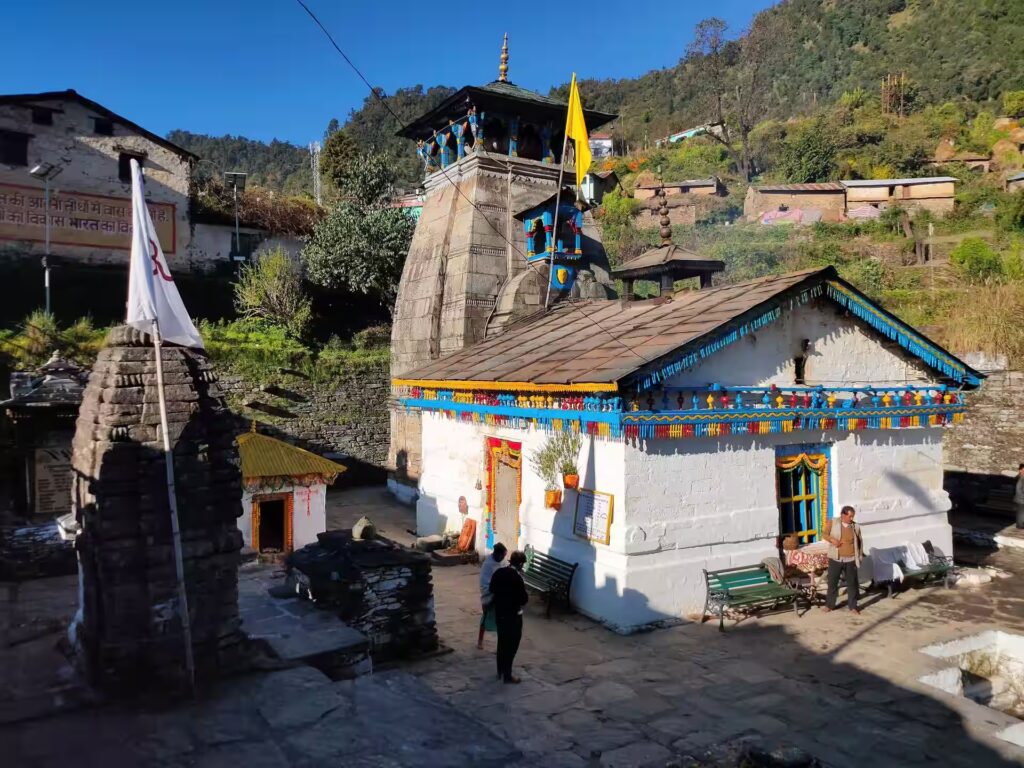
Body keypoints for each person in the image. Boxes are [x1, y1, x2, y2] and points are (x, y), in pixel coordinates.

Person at [489, 549, 529, 684]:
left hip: (500, 614)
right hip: (513, 616)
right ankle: (507, 675)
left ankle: (499, 671)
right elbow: (523, 599)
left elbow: (491, 589)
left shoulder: (499, 572)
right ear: (520, 564)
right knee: (511, 646)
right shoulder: (517, 578)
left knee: (501, 643)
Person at [822, 505, 864, 614]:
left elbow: (860, 542)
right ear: (843, 515)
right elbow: (824, 534)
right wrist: (832, 540)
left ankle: (853, 607)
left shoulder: (855, 527)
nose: (851, 519)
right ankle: (829, 605)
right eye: (850, 516)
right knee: (832, 583)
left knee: (852, 584)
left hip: (850, 559)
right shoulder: (833, 522)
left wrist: (859, 556)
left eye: (853, 516)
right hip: (836, 559)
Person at [477, 543, 507, 649]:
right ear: (497, 554)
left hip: (501, 596)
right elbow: (484, 584)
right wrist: (494, 592)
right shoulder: (487, 564)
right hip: (489, 595)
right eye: (502, 556)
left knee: (502, 621)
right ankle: (480, 641)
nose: (504, 558)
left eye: (505, 556)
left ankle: (500, 646)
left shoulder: (503, 562)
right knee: (485, 618)